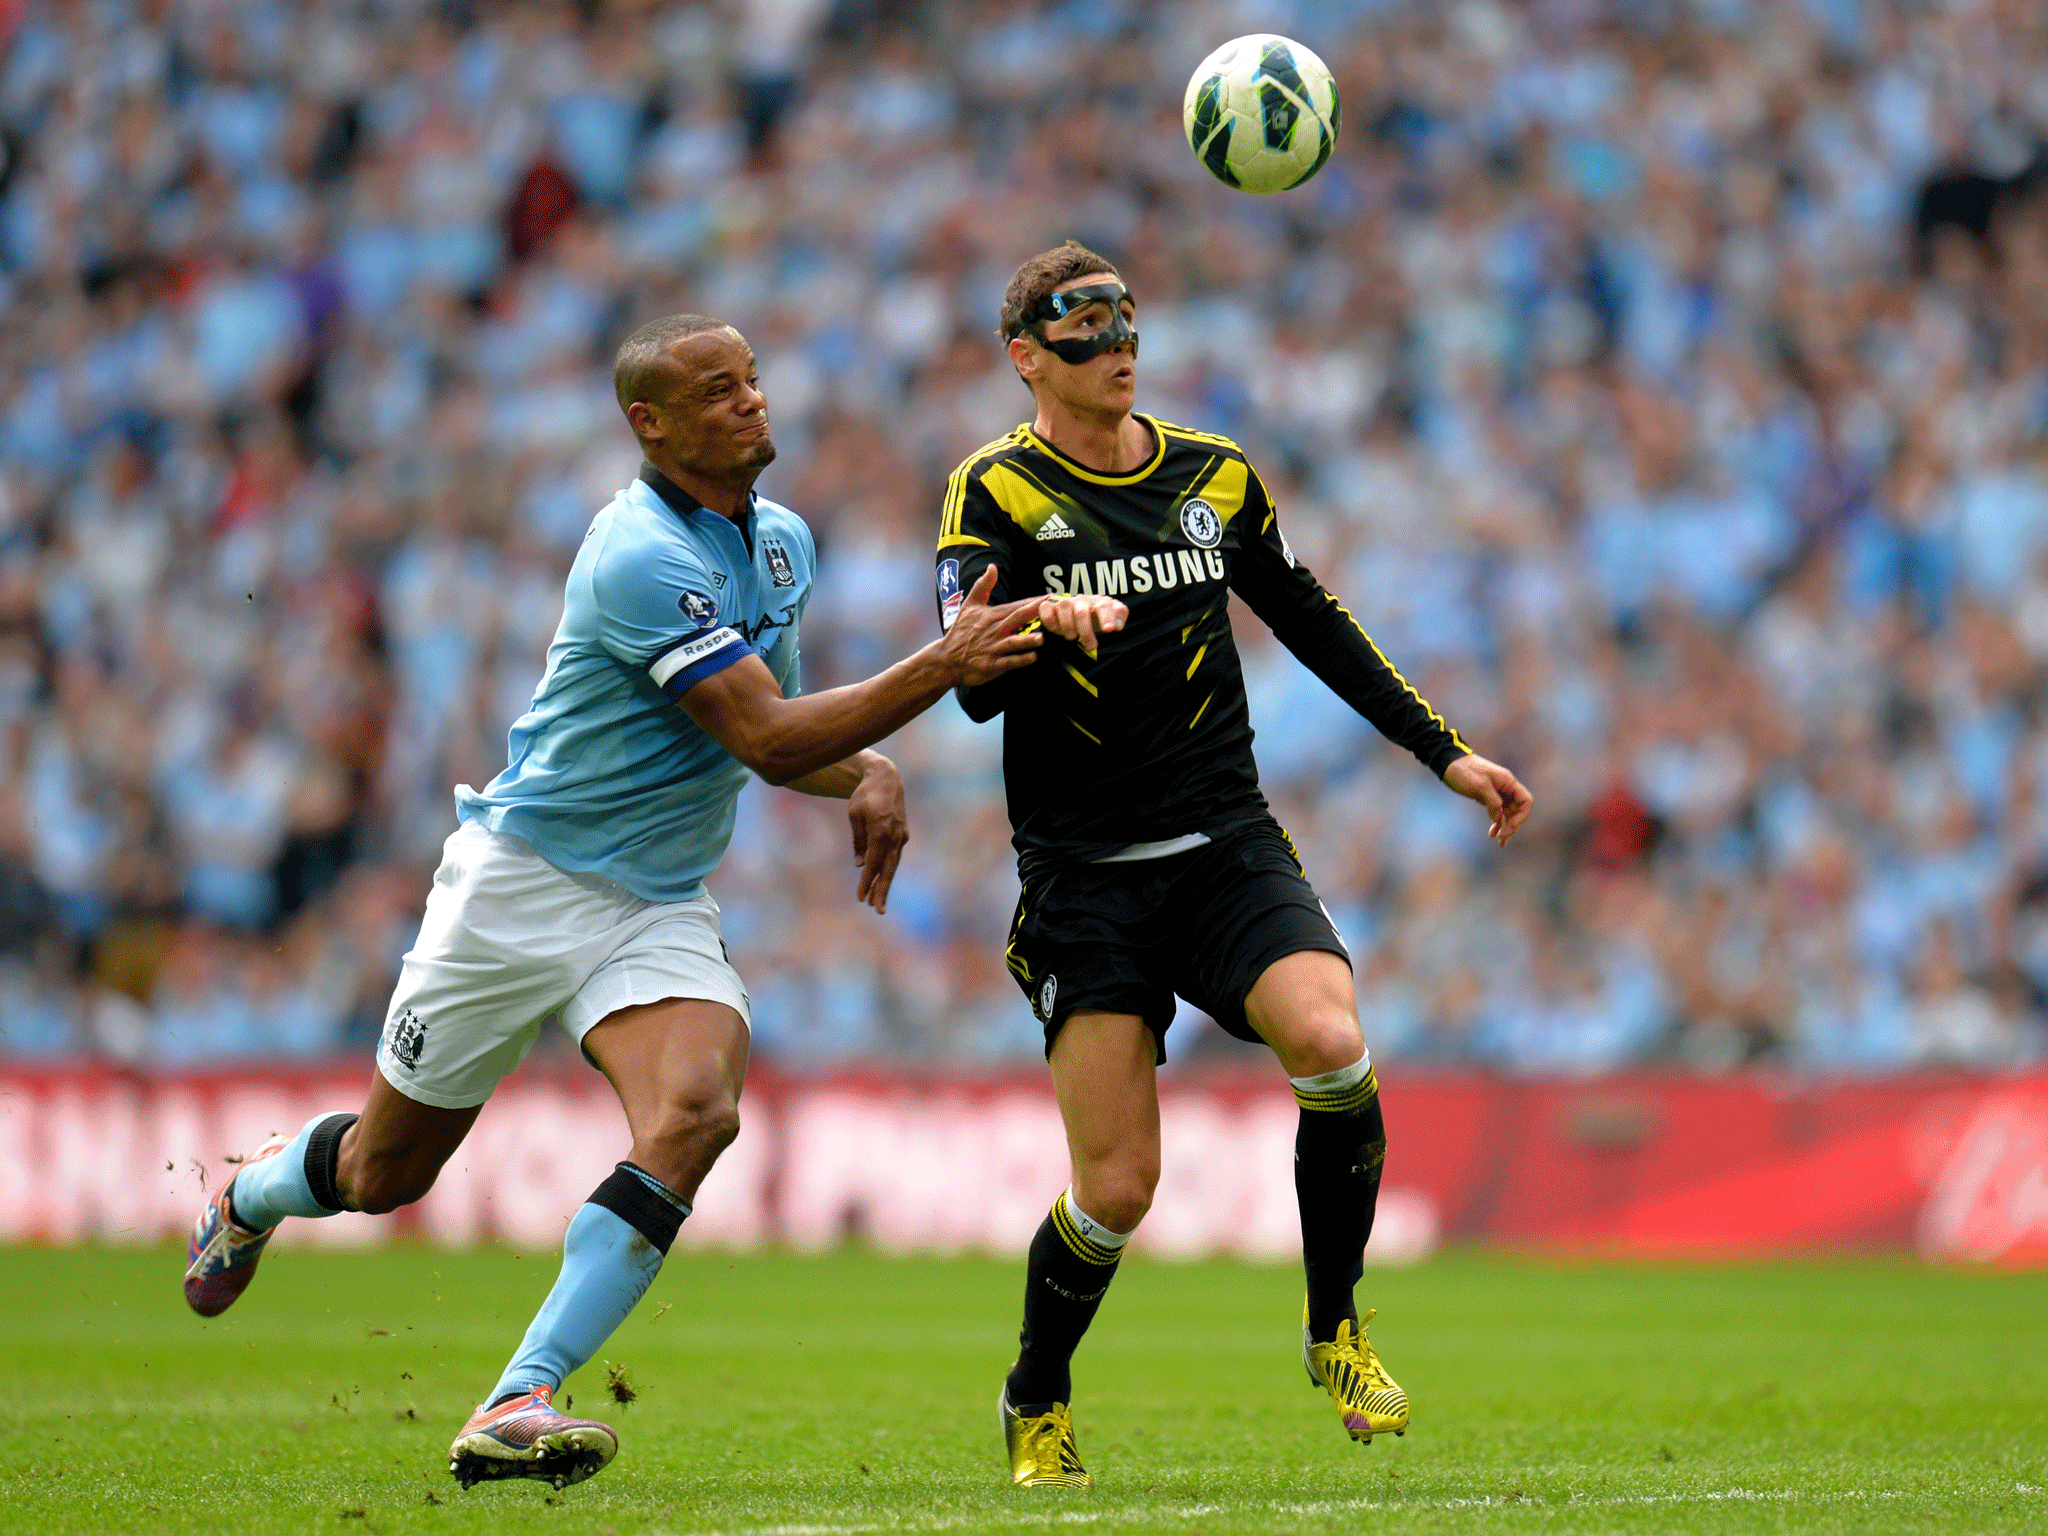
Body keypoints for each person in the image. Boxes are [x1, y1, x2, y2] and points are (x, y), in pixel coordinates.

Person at [183, 313, 1046, 1491]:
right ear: (651, 422)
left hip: (650, 903)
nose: (750, 402)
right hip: (519, 886)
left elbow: (777, 747)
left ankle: (517, 1395)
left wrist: (872, 768)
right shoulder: (637, 552)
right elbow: (764, 726)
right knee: (385, 1176)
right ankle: (253, 1190)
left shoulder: (782, 542)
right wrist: (938, 669)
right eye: (716, 391)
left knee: (695, 1111)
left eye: (751, 380)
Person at [935, 243, 1535, 1488]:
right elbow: (963, 675)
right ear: (1025, 357)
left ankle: (1333, 1329)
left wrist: (1445, 754)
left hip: (1223, 842)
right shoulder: (990, 491)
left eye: (1124, 320)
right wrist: (1044, 617)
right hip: (1084, 875)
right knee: (1116, 1188)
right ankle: (1034, 1394)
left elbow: (1307, 617)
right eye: (1082, 327)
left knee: (1331, 1041)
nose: (1116, 344)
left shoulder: (1215, 476)